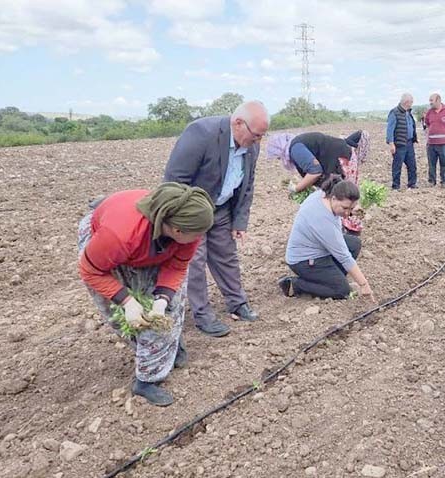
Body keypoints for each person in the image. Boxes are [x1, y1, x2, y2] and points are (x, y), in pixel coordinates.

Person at [78, 183, 214, 406]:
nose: (200, 238)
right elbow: (90, 270)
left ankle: (168, 347)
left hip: (148, 245)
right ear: (177, 231)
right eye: (197, 235)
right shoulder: (119, 236)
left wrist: (162, 299)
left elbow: (177, 266)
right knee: (131, 316)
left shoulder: (191, 229)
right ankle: (145, 382)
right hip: (106, 249)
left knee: (166, 311)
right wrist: (127, 301)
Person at [163, 101, 268, 337]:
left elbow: (247, 183)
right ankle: (202, 315)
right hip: (191, 211)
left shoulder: (252, 145)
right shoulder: (201, 133)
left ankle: (237, 303)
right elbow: (174, 179)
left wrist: (240, 220)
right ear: (238, 123)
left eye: (262, 136)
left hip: (221, 209)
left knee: (226, 255)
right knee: (195, 262)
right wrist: (181, 220)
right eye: (256, 135)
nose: (259, 141)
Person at [279, 177, 376, 302]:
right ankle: (295, 285)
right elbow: (343, 256)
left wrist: (351, 208)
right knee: (342, 291)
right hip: (304, 261)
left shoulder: (324, 195)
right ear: (334, 198)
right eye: (345, 208)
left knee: (354, 243)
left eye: (351, 209)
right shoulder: (323, 220)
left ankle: (333, 279)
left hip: (318, 250)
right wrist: (364, 284)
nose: (347, 213)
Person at [266, 130, 371, 234]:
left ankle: (347, 233)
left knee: (342, 199)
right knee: (340, 200)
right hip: (341, 159)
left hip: (341, 162)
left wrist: (296, 188)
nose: (280, 159)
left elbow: (315, 172)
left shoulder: (295, 148)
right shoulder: (298, 144)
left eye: (279, 157)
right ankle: (340, 232)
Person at [422, 93, 445, 186]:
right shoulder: (429, 112)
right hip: (431, 143)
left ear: (438, 100)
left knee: (444, 163)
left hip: (444, 143)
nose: (430, 103)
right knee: (431, 163)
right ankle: (432, 181)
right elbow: (428, 124)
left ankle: (444, 181)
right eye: (429, 101)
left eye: (431, 101)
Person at [386, 93, 418, 190]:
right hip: (399, 144)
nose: (412, 104)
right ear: (406, 102)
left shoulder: (408, 112)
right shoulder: (394, 112)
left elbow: (411, 126)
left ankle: (412, 183)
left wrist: (414, 137)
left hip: (409, 143)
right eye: (411, 102)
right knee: (397, 165)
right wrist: (391, 143)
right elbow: (390, 129)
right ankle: (396, 185)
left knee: (412, 164)